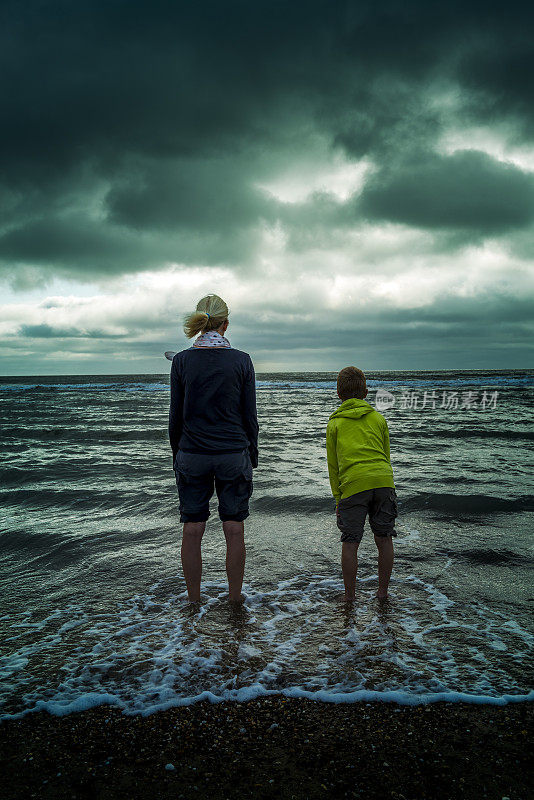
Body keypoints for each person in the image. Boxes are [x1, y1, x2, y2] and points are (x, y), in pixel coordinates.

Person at [169, 294, 259, 603]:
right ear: (226, 324)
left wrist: (177, 456)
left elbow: (175, 417)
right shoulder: (242, 360)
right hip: (234, 455)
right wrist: (253, 454)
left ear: (199, 323)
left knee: (193, 529)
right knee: (234, 529)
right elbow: (250, 416)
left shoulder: (181, 361)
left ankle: (194, 601)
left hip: (192, 455)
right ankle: (235, 600)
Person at [326, 367, 397, 602]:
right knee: (384, 538)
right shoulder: (378, 418)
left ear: (338, 394)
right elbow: (386, 457)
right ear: (366, 393)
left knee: (350, 542)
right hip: (383, 481)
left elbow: (333, 467)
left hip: (354, 484)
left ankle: (349, 597)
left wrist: (338, 499)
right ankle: (382, 593)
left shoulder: (335, 424)